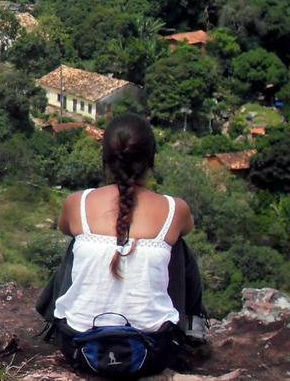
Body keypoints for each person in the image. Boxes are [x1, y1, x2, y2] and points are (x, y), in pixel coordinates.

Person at [51, 113, 196, 376]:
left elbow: (64, 228)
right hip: (152, 351)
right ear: (151, 158)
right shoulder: (176, 209)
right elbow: (186, 230)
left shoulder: (77, 203)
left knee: (78, 241)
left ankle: (54, 316)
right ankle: (194, 326)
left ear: (105, 158)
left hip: (79, 348)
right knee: (175, 247)